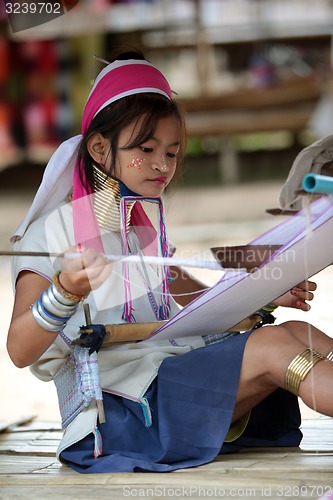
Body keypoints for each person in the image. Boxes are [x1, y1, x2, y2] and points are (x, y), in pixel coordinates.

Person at [7, 49, 333, 474]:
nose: (163, 164)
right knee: (274, 347)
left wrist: (267, 293)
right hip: (117, 415)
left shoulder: (145, 226)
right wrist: (65, 292)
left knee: (298, 333)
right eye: (147, 149)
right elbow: (18, 349)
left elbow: (203, 310)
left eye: (173, 152)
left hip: (167, 382)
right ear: (100, 147)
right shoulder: (53, 232)